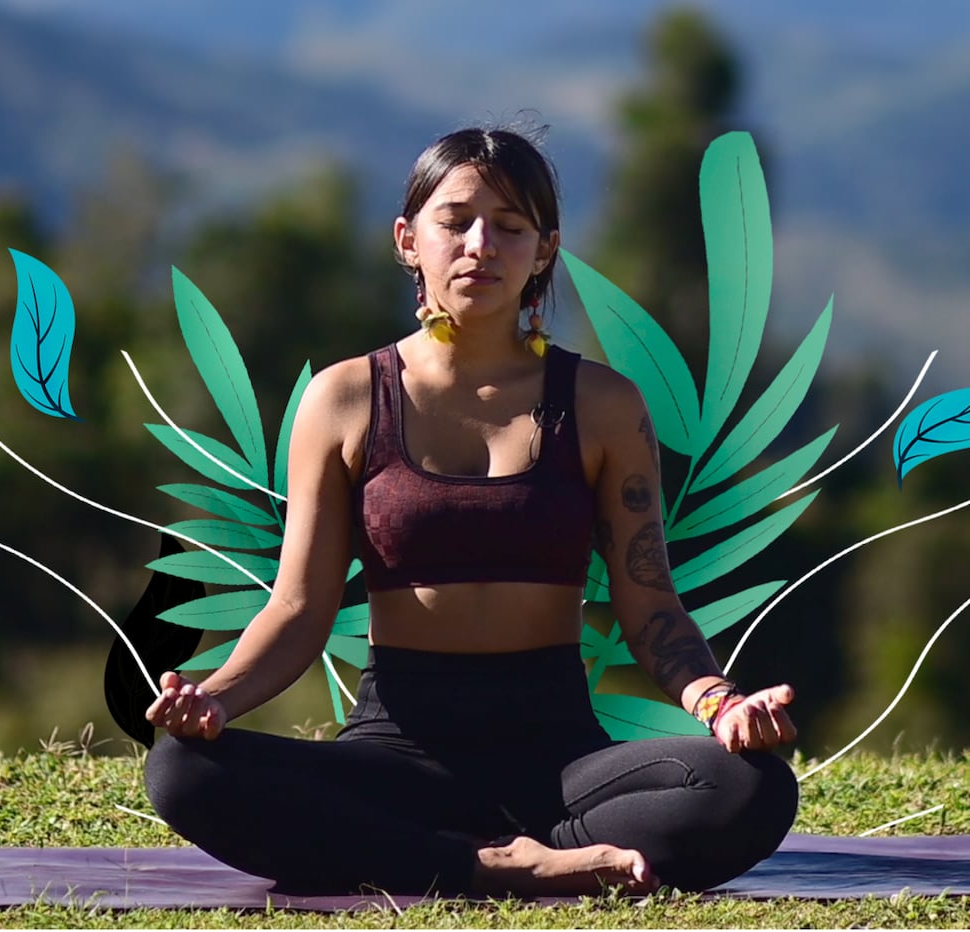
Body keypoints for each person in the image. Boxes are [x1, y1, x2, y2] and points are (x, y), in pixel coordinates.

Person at [144, 126, 798, 897]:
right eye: (455, 221)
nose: (480, 245)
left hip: (560, 759)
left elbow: (650, 604)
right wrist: (211, 701)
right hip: (397, 753)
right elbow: (296, 609)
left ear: (545, 251)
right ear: (407, 240)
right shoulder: (345, 399)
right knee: (182, 770)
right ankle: (499, 866)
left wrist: (722, 706)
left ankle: (439, 857)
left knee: (752, 785)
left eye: (510, 227)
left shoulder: (603, 405)